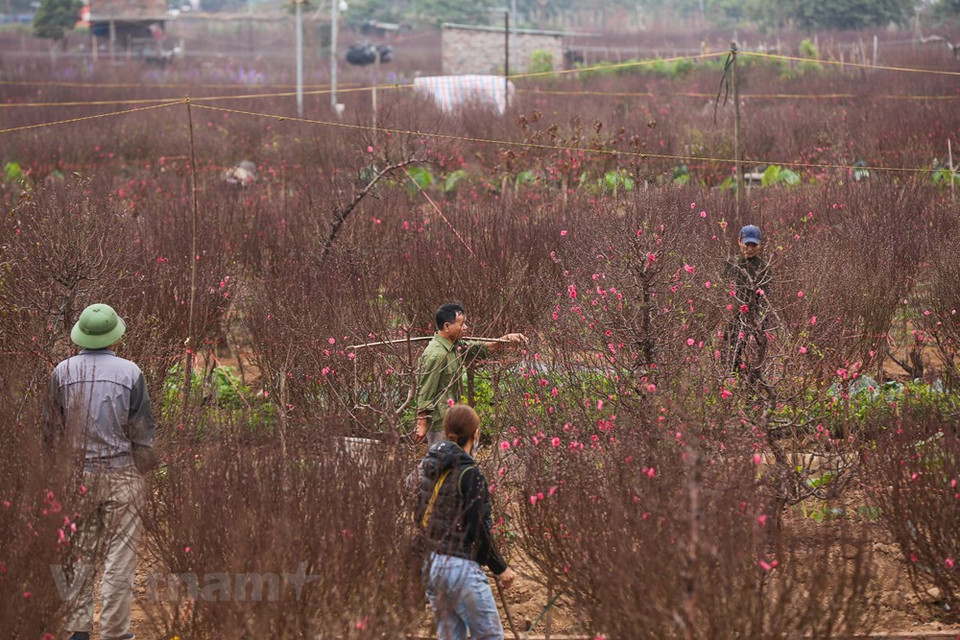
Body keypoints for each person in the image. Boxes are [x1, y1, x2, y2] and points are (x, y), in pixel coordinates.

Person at [44, 303, 156, 640]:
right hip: (122, 475)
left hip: (78, 478)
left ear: (81, 335)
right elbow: (142, 434)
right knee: (119, 561)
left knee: (79, 556)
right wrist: (143, 472)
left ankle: (78, 630)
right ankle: (114, 633)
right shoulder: (131, 373)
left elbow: (51, 434)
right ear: (114, 336)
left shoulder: (61, 373)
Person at [416, 404, 517, 640]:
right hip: (460, 569)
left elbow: (418, 516)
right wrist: (500, 568)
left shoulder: (428, 469)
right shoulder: (470, 473)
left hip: (432, 566)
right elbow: (478, 528)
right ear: (475, 434)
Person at [414, 302, 526, 445]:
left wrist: (504, 340)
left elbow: (480, 348)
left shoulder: (455, 346)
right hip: (439, 424)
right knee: (441, 463)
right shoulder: (436, 354)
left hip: (452, 419)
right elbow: (425, 391)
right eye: (462, 325)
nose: (465, 328)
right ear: (447, 326)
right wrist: (422, 424)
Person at [723, 225, 773, 383]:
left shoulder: (764, 267)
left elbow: (766, 297)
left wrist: (760, 322)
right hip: (734, 317)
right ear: (739, 242)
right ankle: (735, 381)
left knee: (754, 358)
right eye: (747, 244)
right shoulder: (731, 264)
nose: (750, 248)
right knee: (729, 354)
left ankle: (751, 385)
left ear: (760, 245)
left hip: (754, 318)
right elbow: (723, 290)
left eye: (754, 245)